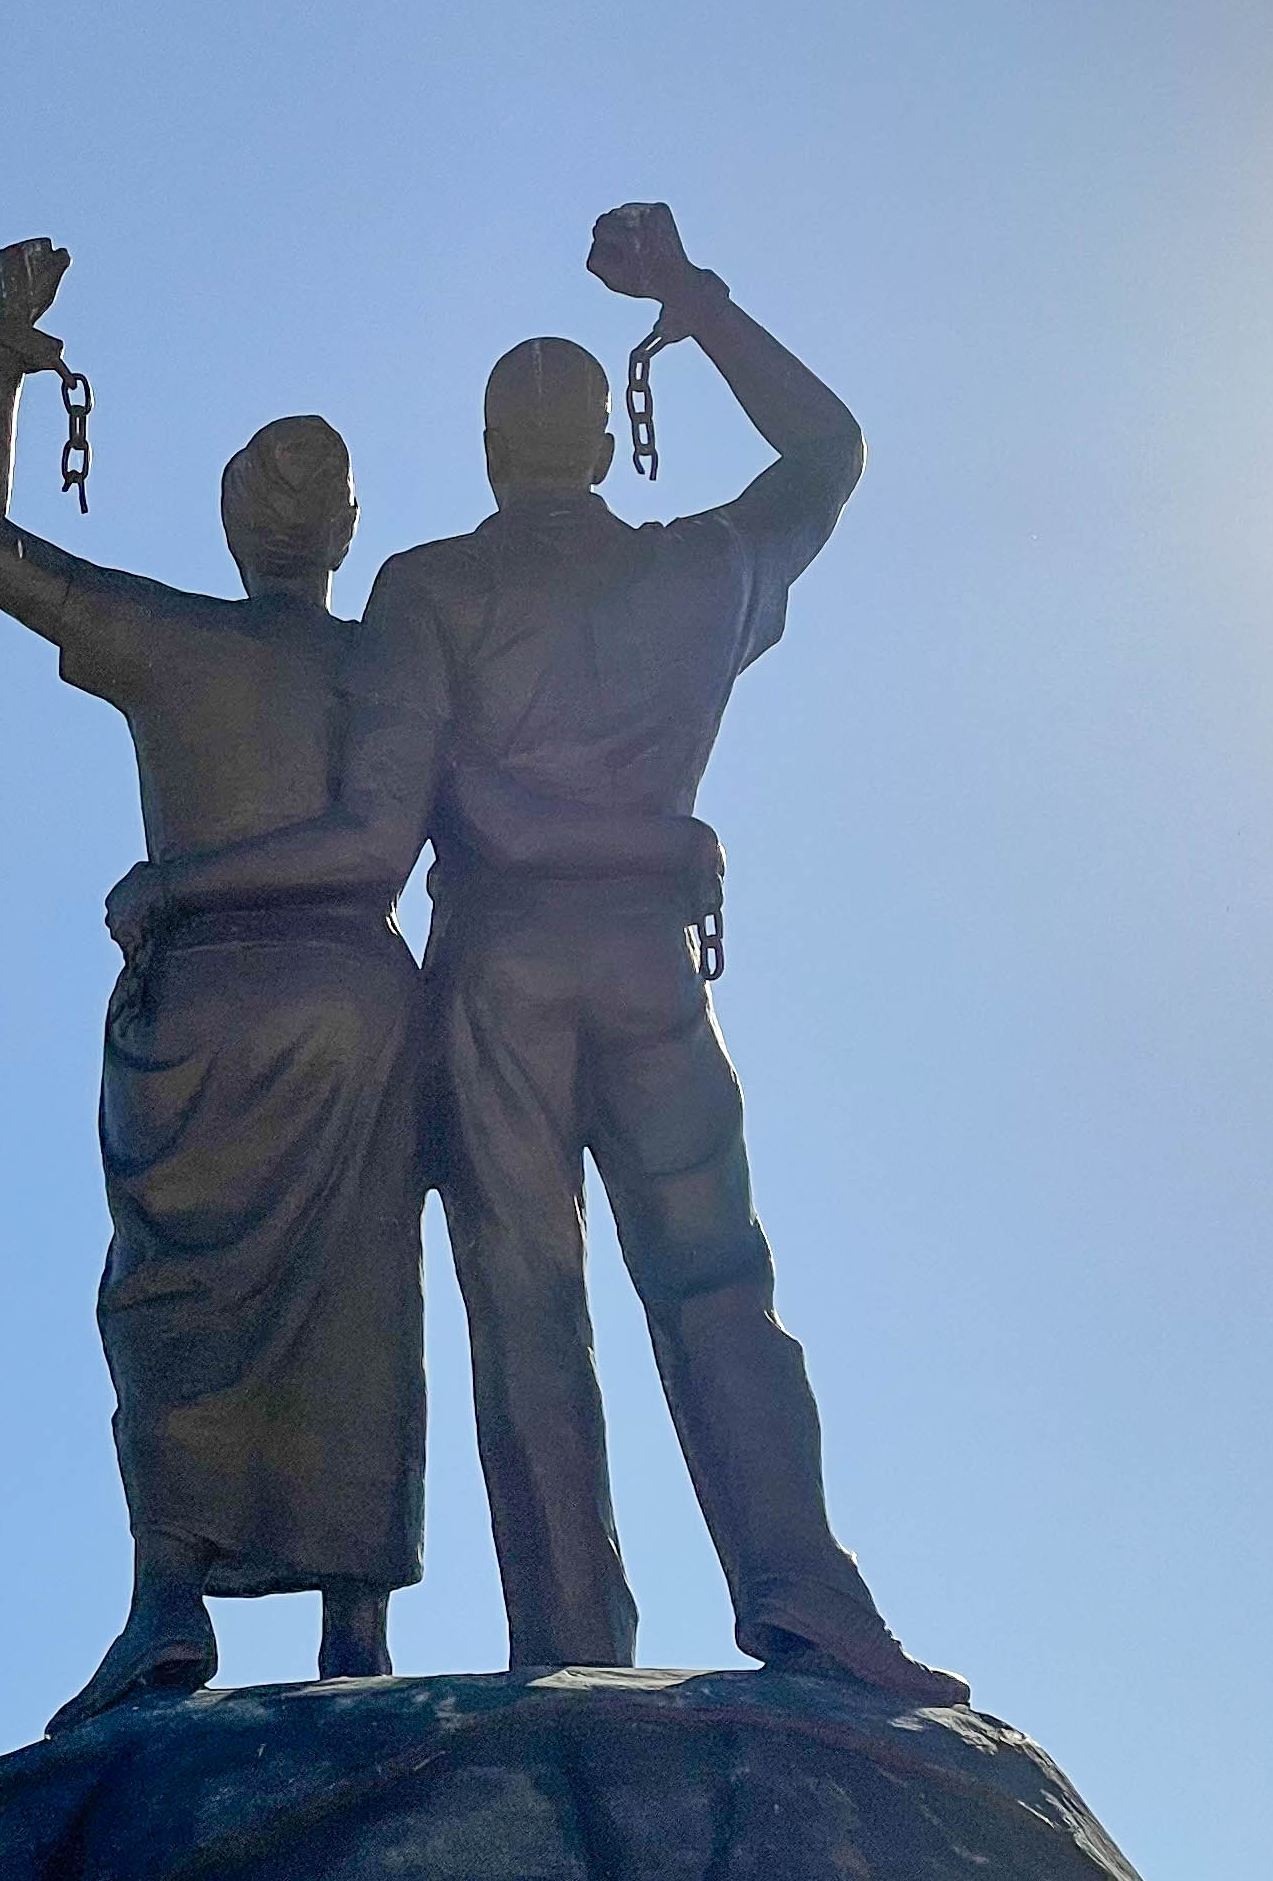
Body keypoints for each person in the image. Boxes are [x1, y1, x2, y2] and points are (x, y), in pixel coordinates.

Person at [136, 206, 962, 1705]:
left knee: (530, 1315)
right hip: (654, 972)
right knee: (719, 1283)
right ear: (599, 436)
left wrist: (183, 885)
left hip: (501, 981)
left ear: (487, 446)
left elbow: (387, 833)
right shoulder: (701, 569)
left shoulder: (431, 589)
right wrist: (695, 306)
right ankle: (805, 1597)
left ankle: (572, 1651)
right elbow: (830, 452)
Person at [0, 238, 423, 1731]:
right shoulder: (394, 670)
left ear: (231, 530)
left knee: (172, 1300)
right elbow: (413, 830)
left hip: (202, 1003)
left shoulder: (169, 642)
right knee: (361, 1303)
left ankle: (167, 1599)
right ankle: (355, 1630)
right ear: (346, 532)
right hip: (355, 1002)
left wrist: (4, 353)